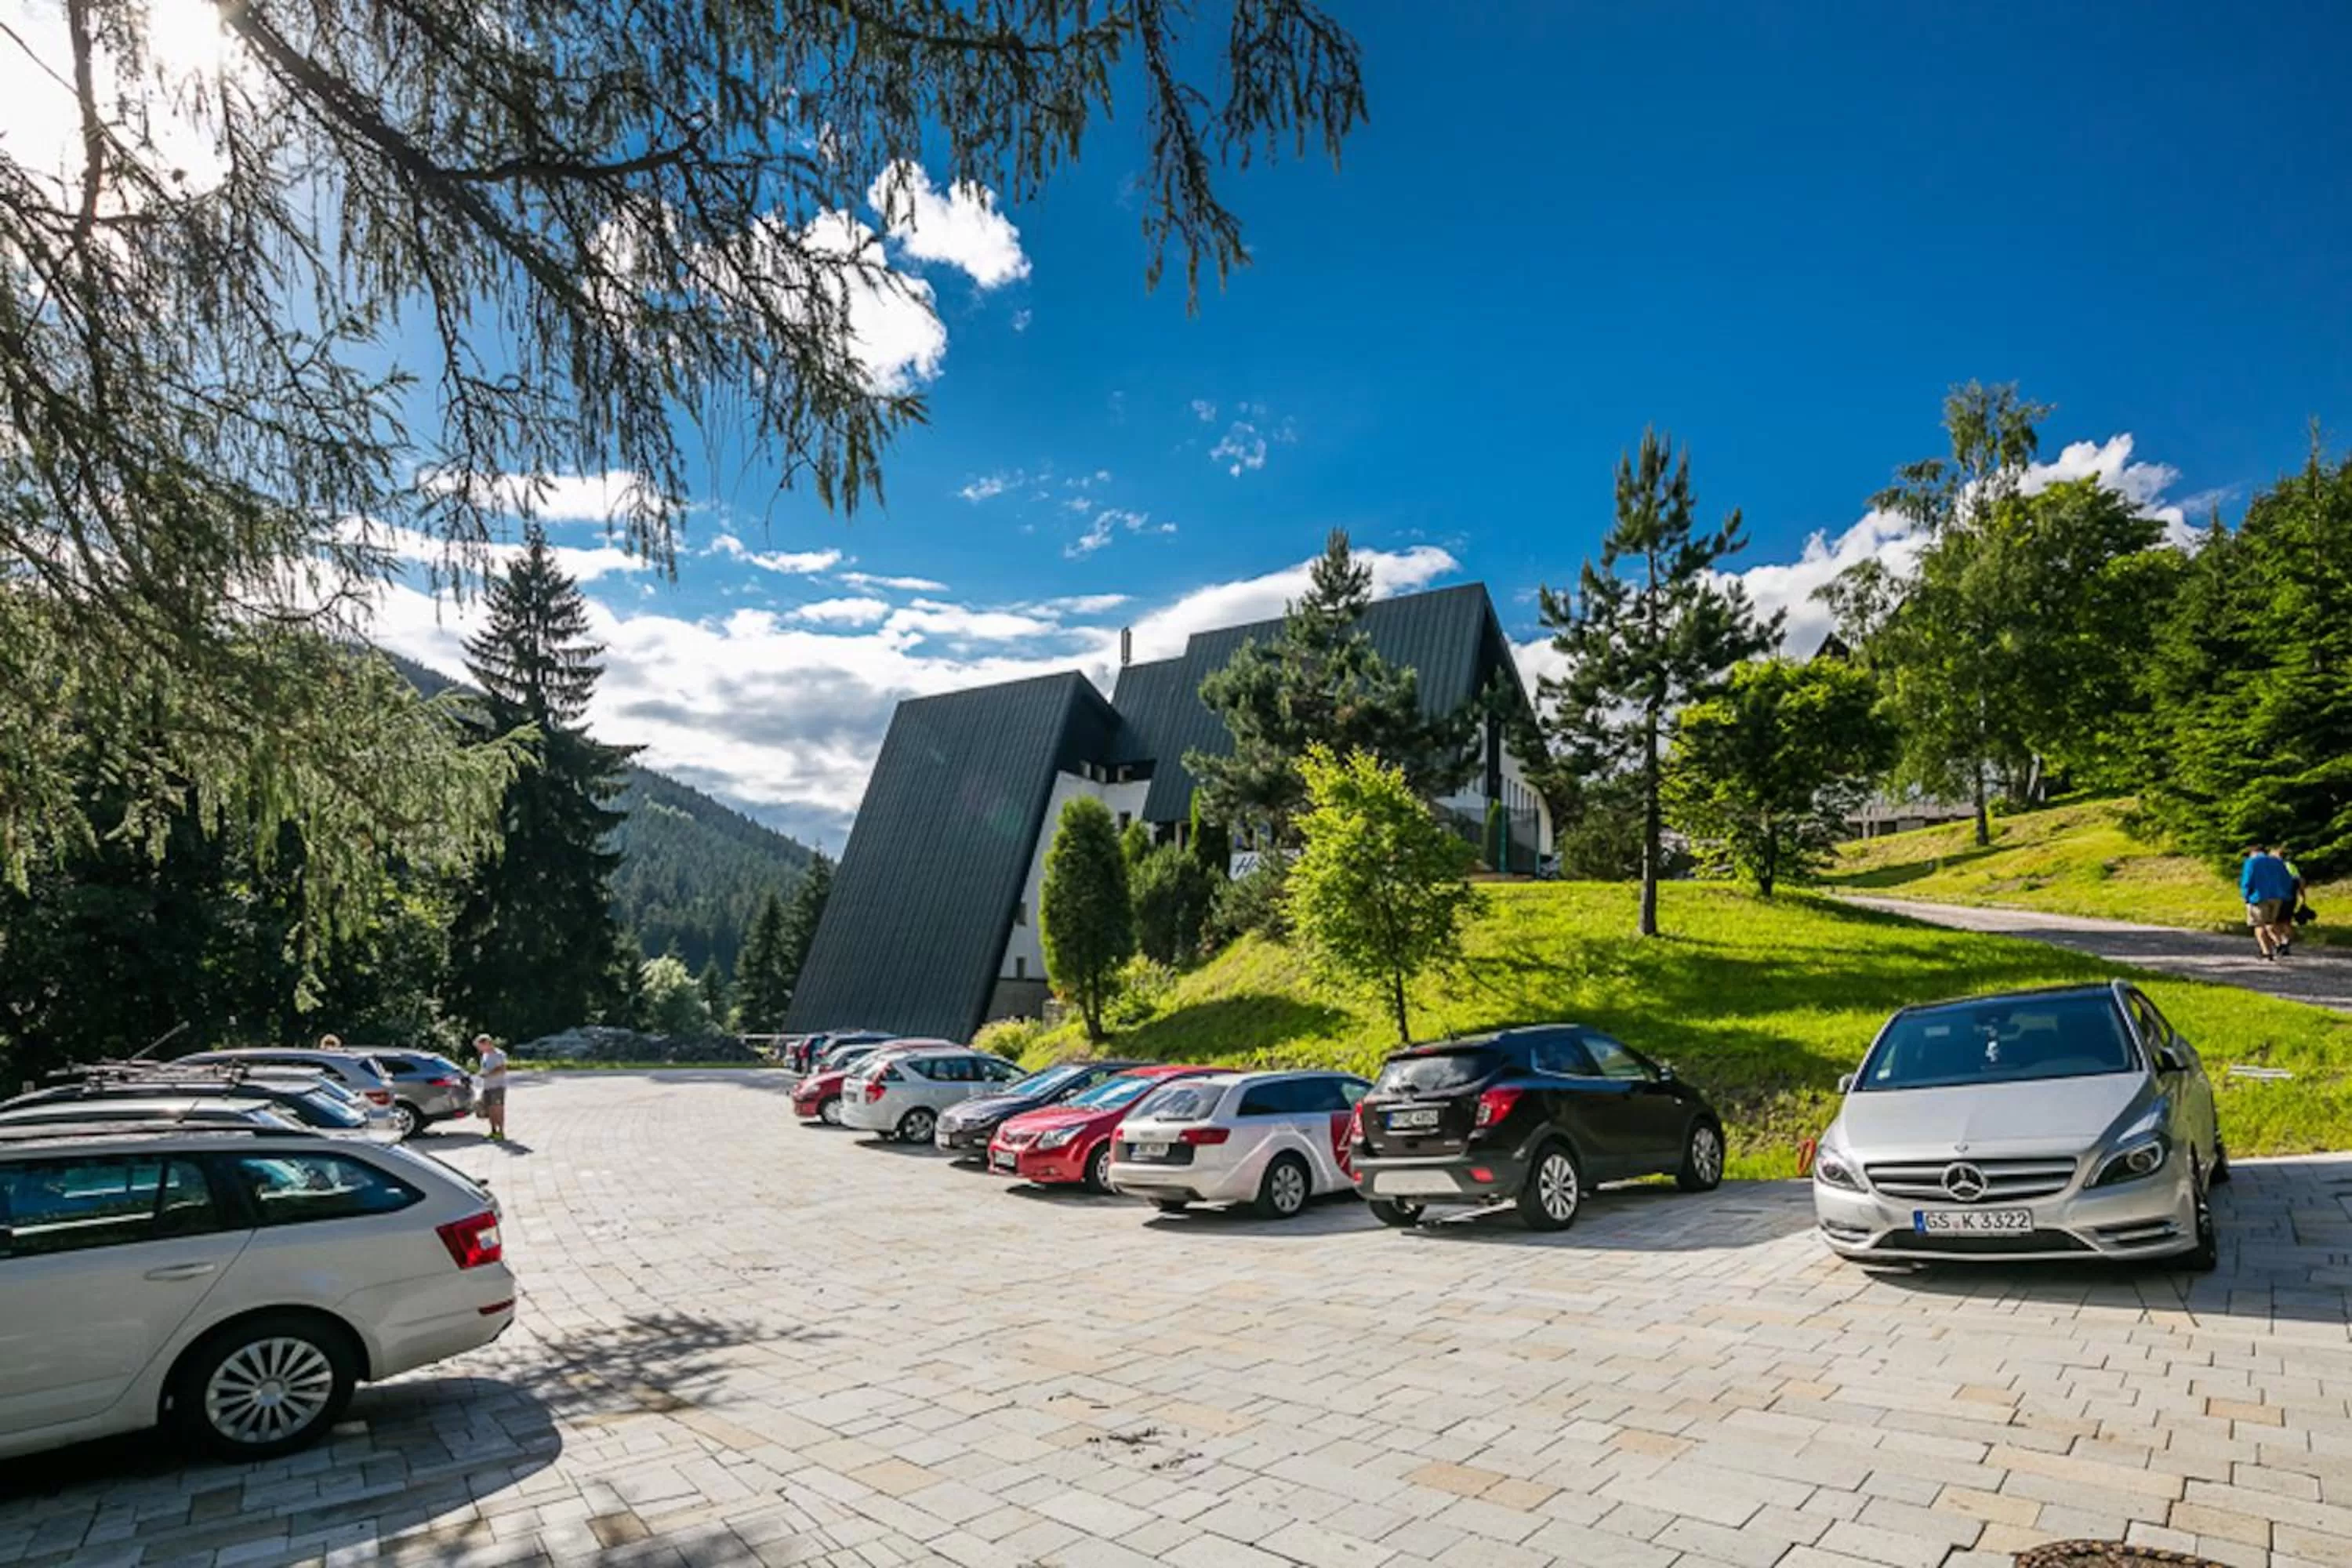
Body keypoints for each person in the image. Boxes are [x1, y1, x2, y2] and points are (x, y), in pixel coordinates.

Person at [2240, 844, 2298, 961]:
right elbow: (2287, 880)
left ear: (2253, 853)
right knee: (2271, 922)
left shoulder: (2252, 862)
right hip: (2277, 897)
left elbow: (2247, 880)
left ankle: (2266, 953)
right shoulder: (2277, 862)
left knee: (2259, 925)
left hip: (2258, 897)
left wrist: (2246, 896)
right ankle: (2280, 943)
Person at [474, 1033, 510, 1141]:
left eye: (480, 1046)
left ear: (487, 1043)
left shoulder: (499, 1054)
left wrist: (488, 1074)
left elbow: (502, 1069)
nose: (479, 1049)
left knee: (498, 1109)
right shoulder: (485, 1056)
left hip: (498, 1086)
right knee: (489, 1110)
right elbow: (484, 1068)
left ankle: (501, 1131)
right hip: (487, 1086)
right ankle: (493, 1130)